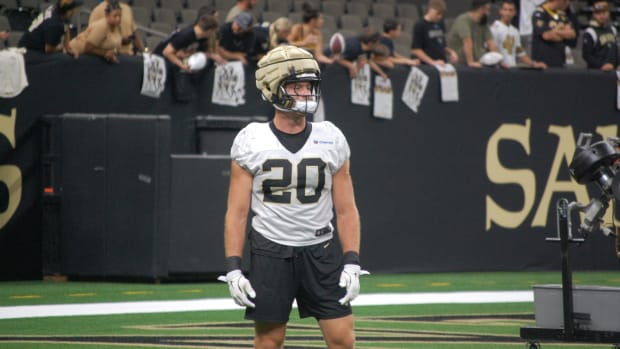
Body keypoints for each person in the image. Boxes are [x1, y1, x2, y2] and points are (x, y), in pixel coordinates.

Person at [219, 44, 366, 349]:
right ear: (272, 88)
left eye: (309, 86)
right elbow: (237, 212)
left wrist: (351, 260)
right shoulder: (251, 140)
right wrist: (234, 267)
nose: (305, 94)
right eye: (296, 86)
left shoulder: (331, 137)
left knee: (342, 338)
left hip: (320, 250)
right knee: (270, 340)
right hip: (270, 251)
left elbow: (346, 210)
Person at [153, 7, 221, 71]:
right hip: (159, 60)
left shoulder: (202, 38)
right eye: (213, 32)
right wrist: (182, 65)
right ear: (209, 31)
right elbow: (167, 52)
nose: (213, 35)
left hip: (172, 62)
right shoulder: (186, 35)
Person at [490, 0, 547, 68]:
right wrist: (500, 63)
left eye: (510, 10)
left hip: (512, 68)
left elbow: (520, 53)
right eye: (505, 10)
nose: (507, 13)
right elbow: (491, 49)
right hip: (498, 69)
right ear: (500, 11)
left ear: (515, 13)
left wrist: (534, 64)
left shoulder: (515, 31)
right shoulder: (494, 28)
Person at [447, 0, 502, 68]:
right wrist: (471, 62)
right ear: (480, 9)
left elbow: (491, 43)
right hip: (459, 64)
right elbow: (467, 41)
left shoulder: (483, 24)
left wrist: (499, 61)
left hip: (477, 63)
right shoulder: (463, 20)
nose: (488, 13)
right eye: (487, 10)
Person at [18, 0, 82, 55]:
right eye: (75, 8)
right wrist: (61, 47)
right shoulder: (55, 24)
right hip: (28, 53)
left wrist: (67, 47)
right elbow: (49, 50)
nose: (76, 10)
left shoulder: (55, 10)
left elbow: (66, 27)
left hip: (30, 48)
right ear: (68, 11)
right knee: (62, 59)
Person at [531, 0, 576, 67]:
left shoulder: (561, 14)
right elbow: (546, 36)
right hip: (543, 60)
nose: (567, 4)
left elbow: (572, 34)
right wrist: (563, 33)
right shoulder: (539, 13)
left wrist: (556, 31)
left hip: (559, 59)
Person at [411, 0, 458, 66]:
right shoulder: (420, 25)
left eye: (441, 14)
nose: (440, 16)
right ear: (430, 9)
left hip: (442, 63)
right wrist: (432, 62)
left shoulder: (440, 23)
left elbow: (442, 46)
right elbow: (416, 50)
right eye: (438, 13)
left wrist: (451, 52)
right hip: (427, 66)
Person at [582, 0, 618, 70]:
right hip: (597, 72)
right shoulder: (590, 32)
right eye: (598, 13)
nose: (602, 16)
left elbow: (616, 51)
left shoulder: (613, 30)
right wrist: (601, 65)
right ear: (594, 15)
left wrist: (618, 64)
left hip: (612, 70)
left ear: (608, 13)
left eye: (604, 12)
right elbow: (586, 55)